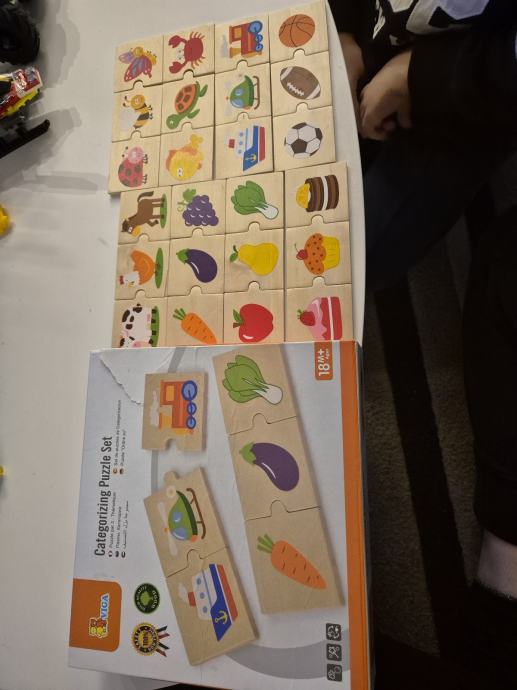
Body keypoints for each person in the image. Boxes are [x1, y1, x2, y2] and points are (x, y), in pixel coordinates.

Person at [329, 1, 517, 686]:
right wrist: (345, 23)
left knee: (351, 258)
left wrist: (427, 78)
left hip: (473, 74)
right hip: (405, 41)